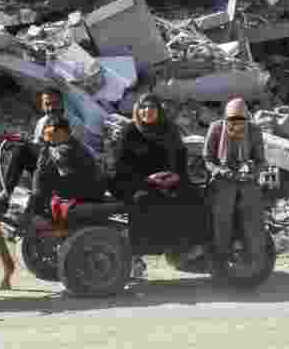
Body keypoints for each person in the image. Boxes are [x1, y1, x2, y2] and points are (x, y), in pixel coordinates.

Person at [112, 93, 204, 276]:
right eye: (144, 107)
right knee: (142, 200)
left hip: (169, 180)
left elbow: (180, 158)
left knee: (191, 196)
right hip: (137, 181)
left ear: (158, 111)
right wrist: (147, 179)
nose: (148, 111)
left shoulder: (169, 129)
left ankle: (184, 249)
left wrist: (176, 176)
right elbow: (121, 165)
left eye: (152, 107)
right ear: (138, 110)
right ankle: (136, 256)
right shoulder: (129, 132)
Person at [202, 97, 267, 277]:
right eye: (232, 121)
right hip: (223, 179)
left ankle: (255, 257)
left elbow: (261, 161)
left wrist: (253, 172)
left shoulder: (254, 131)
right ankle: (221, 257)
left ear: (247, 119)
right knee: (222, 215)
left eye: (240, 121)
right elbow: (207, 159)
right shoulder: (215, 128)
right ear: (225, 119)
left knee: (253, 215)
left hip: (247, 179)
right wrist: (220, 170)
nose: (236, 125)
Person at [0, 87, 65, 203]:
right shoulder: (42, 122)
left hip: (59, 172)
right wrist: (26, 141)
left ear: (62, 104)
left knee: (22, 149)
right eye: (47, 104)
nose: (51, 108)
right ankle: (2, 192)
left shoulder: (68, 123)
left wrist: (30, 146)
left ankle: (4, 193)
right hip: (41, 166)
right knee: (15, 151)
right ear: (42, 106)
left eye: (55, 103)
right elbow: (37, 146)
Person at [30, 115, 106, 220]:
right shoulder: (63, 145)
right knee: (41, 173)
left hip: (89, 191)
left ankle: (37, 211)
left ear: (62, 132)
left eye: (52, 133)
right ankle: (37, 206)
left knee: (42, 175)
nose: (49, 137)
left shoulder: (70, 148)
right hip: (78, 184)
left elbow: (46, 167)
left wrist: (45, 146)